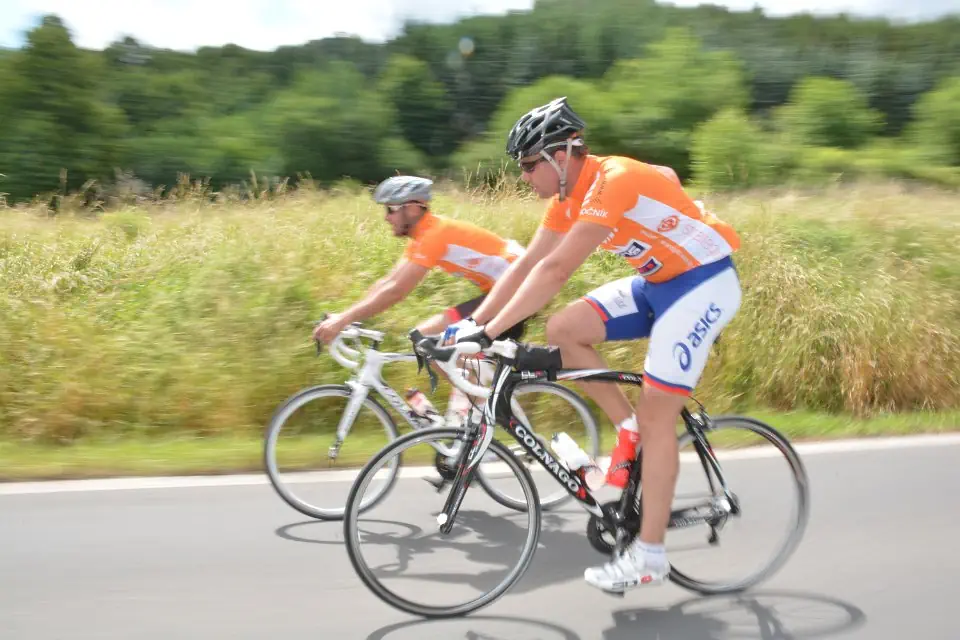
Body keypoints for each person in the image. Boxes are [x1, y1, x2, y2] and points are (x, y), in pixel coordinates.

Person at [444, 97, 742, 593]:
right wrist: (474, 323)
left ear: (561, 156)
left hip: (704, 285)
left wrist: (490, 333)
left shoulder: (612, 181)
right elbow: (527, 264)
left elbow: (556, 270)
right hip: (658, 285)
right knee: (565, 330)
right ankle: (628, 431)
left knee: (659, 414)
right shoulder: (568, 196)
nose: (524, 176)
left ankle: (649, 555)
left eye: (529, 165)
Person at [313, 176, 528, 419]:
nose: (386, 217)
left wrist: (343, 320)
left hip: (518, 292)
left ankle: (483, 411)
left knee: (429, 339)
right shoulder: (425, 235)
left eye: (391, 209)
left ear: (413, 208)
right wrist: (345, 317)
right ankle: (477, 407)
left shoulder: (435, 234)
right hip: (504, 292)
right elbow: (387, 282)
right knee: (429, 343)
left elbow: (397, 291)